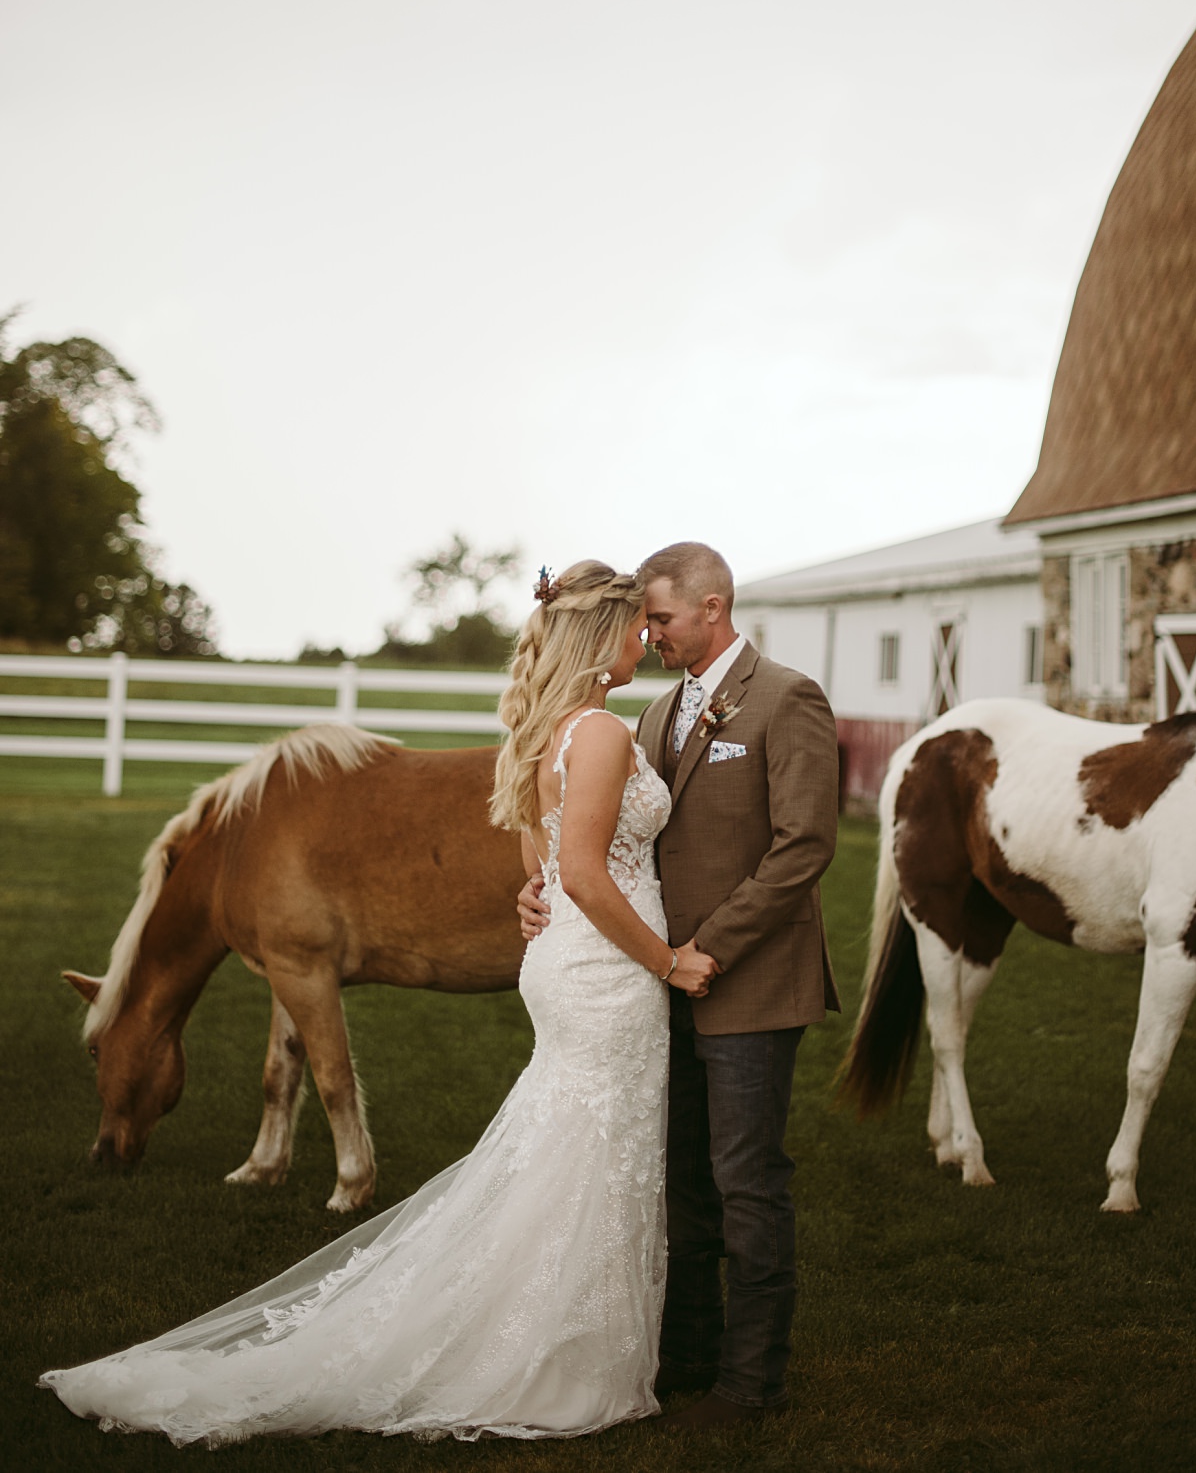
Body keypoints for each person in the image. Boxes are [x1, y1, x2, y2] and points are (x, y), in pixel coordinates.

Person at [40, 561, 715, 1446]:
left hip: (567, 966)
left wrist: (537, 896)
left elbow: (540, 869)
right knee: (592, 1154)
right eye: (635, 627)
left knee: (569, 1153)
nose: (645, 641)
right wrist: (669, 963)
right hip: (608, 973)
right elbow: (583, 873)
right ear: (601, 636)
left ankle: (554, 1338)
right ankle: (556, 1353)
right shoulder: (598, 735)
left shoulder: (547, 731)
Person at [519, 540, 840, 1432]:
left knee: (747, 1181)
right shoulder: (654, 711)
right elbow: (611, 835)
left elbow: (805, 845)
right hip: (658, 981)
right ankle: (686, 1355)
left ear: (712, 605)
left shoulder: (788, 698)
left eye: (659, 617)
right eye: (642, 620)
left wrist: (706, 947)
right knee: (683, 1183)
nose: (648, 632)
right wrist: (542, 879)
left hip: (749, 980)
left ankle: (752, 1381)